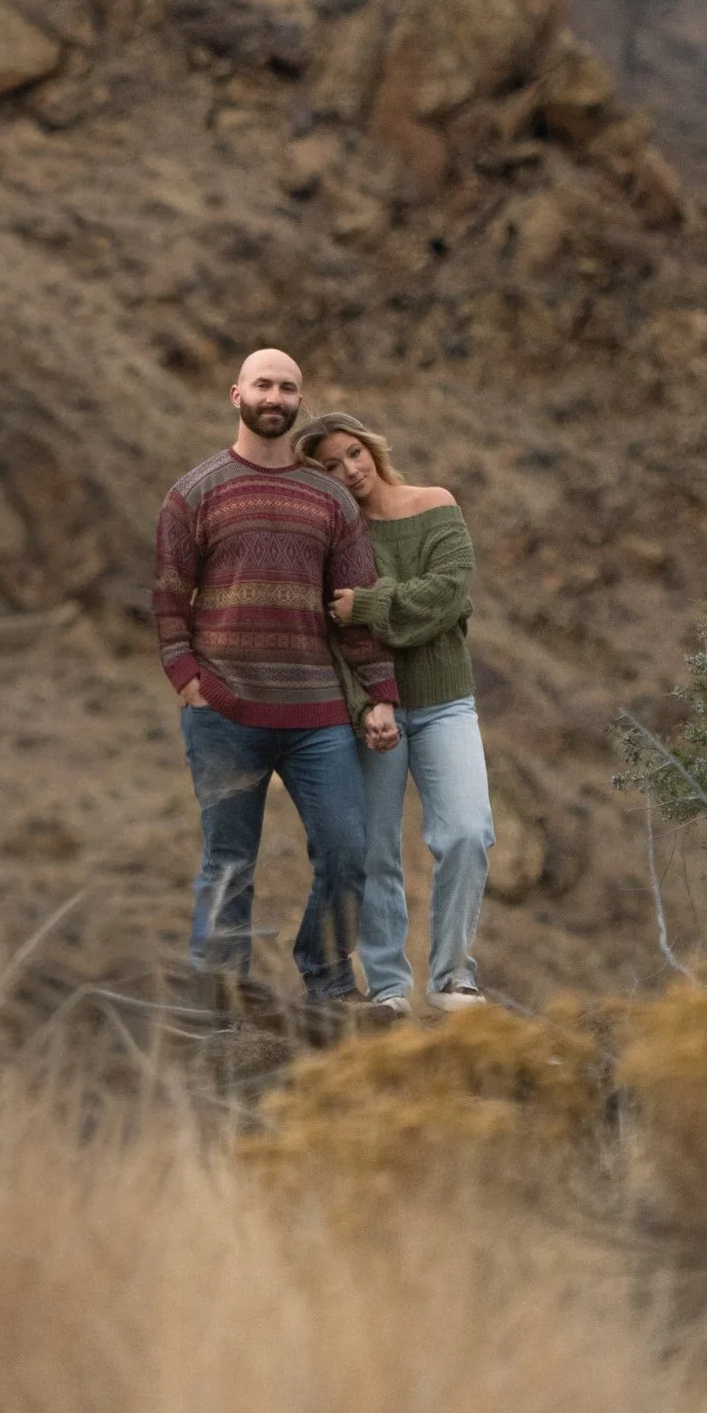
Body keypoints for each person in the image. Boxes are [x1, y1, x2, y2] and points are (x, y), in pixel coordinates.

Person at [153, 345, 400, 1009]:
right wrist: (186, 677)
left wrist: (381, 693)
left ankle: (326, 977)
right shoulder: (195, 492)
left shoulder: (330, 500)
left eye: (288, 389)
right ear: (237, 395)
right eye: (263, 385)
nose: (275, 397)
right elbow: (170, 597)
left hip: (315, 715)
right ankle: (218, 989)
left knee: (349, 852)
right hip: (224, 711)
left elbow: (355, 607)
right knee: (227, 863)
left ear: (299, 403)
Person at [296, 409, 493, 1014]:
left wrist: (369, 607)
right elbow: (332, 633)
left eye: (352, 453)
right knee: (376, 849)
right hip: (374, 713)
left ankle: (453, 977)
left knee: (467, 832)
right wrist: (365, 703)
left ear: (371, 448)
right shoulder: (336, 536)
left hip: (445, 703)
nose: (348, 469)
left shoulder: (435, 504)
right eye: (330, 466)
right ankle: (387, 986)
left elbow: (449, 594)